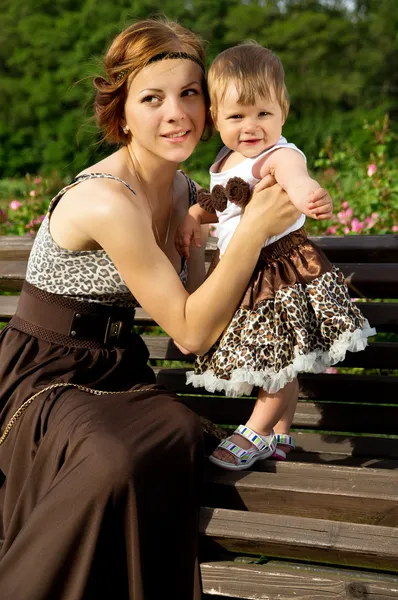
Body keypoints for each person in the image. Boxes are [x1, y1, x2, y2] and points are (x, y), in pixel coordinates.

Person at [0, 20, 300, 600]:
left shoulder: (189, 191)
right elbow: (190, 332)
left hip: (119, 370)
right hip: (45, 377)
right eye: (152, 98)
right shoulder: (107, 200)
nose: (177, 114)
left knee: (181, 433)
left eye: (190, 93)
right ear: (123, 112)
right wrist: (251, 231)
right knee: (112, 460)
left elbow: (217, 297)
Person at [176, 42, 375, 471]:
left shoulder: (278, 155)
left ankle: (257, 429)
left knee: (279, 358)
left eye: (263, 114)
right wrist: (196, 213)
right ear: (215, 119)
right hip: (249, 270)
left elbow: (294, 174)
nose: (252, 127)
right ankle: (281, 431)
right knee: (281, 352)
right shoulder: (227, 160)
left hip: (281, 270)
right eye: (236, 116)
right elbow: (222, 203)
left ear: (282, 111)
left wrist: (307, 195)